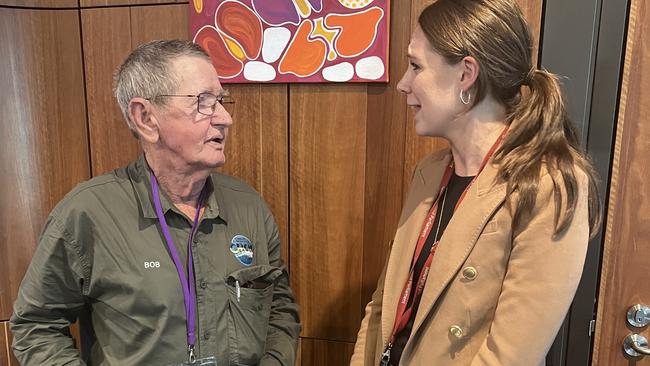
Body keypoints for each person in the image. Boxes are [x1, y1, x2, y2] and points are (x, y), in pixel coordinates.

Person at [10, 40, 300, 366]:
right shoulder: (86, 214)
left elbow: (279, 308)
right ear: (146, 118)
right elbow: (35, 326)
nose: (225, 118)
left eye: (220, 100)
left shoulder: (249, 207)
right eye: (204, 102)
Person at [350, 0, 601, 365]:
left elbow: (508, 358)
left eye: (416, 66)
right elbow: (381, 306)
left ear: (466, 74)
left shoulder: (549, 185)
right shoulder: (429, 173)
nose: (403, 84)